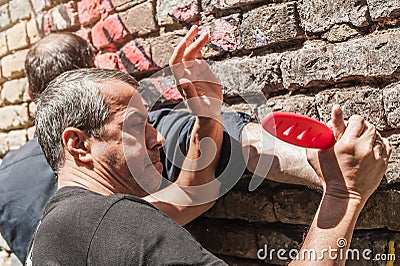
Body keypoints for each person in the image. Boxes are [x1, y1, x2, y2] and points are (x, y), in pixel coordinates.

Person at [26, 28, 391, 264]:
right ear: (78, 144)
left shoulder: (61, 227)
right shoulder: (121, 223)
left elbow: (193, 195)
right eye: (137, 126)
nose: (160, 138)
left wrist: (207, 118)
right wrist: (344, 196)